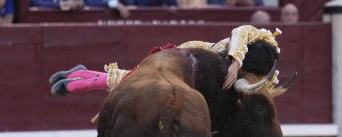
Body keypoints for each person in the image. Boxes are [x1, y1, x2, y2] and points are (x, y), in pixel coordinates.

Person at [50, 25, 282, 96]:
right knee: (136, 81)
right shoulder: (258, 39)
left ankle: (78, 75)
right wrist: (236, 62)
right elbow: (241, 30)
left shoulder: (264, 72)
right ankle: (76, 83)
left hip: (197, 72)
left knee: (133, 77)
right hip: (187, 59)